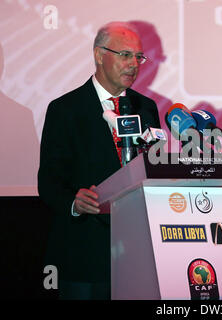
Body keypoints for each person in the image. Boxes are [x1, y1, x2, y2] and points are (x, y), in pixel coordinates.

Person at [38, 21, 160, 300]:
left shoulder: (146, 107)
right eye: (124, 55)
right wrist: (74, 201)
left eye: (138, 56)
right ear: (98, 55)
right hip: (86, 253)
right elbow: (48, 182)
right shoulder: (65, 109)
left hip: (140, 252)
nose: (134, 64)